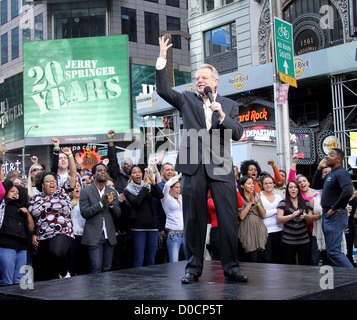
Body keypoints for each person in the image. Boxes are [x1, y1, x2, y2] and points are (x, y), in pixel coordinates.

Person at [156, 36, 247, 283]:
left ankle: (231, 267)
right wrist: (162, 59)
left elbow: (238, 134)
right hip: (192, 166)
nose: (199, 81)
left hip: (220, 166)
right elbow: (163, 90)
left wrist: (221, 115)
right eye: (197, 78)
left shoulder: (229, 104)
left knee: (227, 219)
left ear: (215, 82)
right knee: (194, 220)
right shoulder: (187, 100)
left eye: (204, 78)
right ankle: (193, 268)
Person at [29, 146, 76, 280]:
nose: (52, 183)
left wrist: (70, 156)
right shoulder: (35, 199)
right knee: (48, 271)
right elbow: (31, 218)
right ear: (41, 184)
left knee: (57, 252)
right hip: (43, 236)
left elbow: (72, 174)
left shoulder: (63, 192)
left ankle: (64, 272)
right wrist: (33, 235)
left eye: (54, 181)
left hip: (62, 230)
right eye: (48, 181)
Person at [312, 149, 354, 268]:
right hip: (329, 215)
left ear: (338, 159)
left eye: (331, 155)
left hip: (335, 215)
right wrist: (319, 169)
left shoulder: (341, 173)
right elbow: (316, 185)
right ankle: (345, 278)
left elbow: (348, 191)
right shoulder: (331, 173)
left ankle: (353, 276)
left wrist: (334, 208)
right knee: (331, 251)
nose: (327, 156)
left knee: (334, 252)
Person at [80, 163, 121, 273]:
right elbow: (84, 212)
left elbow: (118, 215)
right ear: (93, 175)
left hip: (109, 236)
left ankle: (106, 290)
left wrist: (112, 205)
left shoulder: (111, 191)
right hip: (94, 236)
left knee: (107, 268)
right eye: (99, 170)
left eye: (104, 170)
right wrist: (101, 204)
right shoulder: (85, 192)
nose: (102, 172)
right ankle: (95, 290)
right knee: (96, 266)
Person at [124, 165, 164, 268]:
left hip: (152, 227)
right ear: (130, 176)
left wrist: (152, 181)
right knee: (139, 259)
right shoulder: (128, 190)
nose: (137, 174)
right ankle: (139, 282)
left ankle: (150, 282)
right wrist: (145, 186)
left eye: (139, 172)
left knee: (151, 259)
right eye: (134, 172)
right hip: (138, 228)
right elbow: (137, 202)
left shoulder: (148, 187)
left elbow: (160, 195)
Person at [277, 180, 320, 265]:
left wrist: (306, 216)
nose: (293, 189)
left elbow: (310, 218)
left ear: (298, 189)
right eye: (290, 187)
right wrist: (291, 216)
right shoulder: (283, 203)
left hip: (303, 239)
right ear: (287, 190)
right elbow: (279, 218)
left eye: (295, 187)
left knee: (304, 263)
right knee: (289, 264)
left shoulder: (306, 202)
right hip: (288, 240)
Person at [0, 181, 34, 285]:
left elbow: (31, 228)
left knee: (19, 280)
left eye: (17, 193)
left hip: (22, 246)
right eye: (12, 191)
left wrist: (28, 214)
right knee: (7, 279)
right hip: (7, 244)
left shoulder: (23, 208)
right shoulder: (2, 205)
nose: (15, 194)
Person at [237, 175, 268, 262]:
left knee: (260, 258)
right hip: (246, 229)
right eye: (249, 183)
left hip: (259, 228)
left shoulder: (256, 197)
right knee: (251, 257)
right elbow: (241, 216)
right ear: (242, 186)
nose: (252, 185)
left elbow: (263, 215)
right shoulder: (240, 198)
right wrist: (250, 203)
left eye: (252, 183)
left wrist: (257, 203)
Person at [161, 175, 186, 263]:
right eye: (176, 187)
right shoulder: (166, 199)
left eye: (179, 187)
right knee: (174, 261)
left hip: (184, 233)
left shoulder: (180, 198)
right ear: (171, 189)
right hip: (174, 235)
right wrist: (179, 176)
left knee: (188, 260)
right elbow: (167, 184)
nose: (178, 190)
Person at [260, 175, 283, 263]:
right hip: (265, 231)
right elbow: (262, 214)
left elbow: (281, 212)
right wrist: (276, 210)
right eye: (266, 183)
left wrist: (267, 212)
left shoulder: (278, 197)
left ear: (273, 184)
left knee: (277, 256)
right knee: (267, 257)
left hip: (278, 229)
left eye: (270, 183)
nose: (268, 185)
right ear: (262, 185)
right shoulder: (259, 196)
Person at [69, 181, 89, 276]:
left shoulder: (86, 201)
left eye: (78, 186)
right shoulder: (68, 203)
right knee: (73, 261)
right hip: (73, 235)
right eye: (74, 187)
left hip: (85, 235)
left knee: (84, 262)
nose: (77, 188)